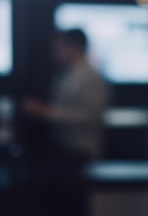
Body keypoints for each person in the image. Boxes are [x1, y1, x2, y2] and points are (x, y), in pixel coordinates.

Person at [23, 29, 110, 160]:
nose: (55, 53)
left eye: (59, 48)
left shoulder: (90, 77)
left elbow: (90, 116)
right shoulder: (67, 73)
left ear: (75, 47)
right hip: (65, 148)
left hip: (81, 151)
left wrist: (46, 112)